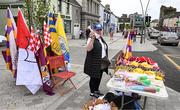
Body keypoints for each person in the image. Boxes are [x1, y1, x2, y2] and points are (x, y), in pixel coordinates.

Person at [84, 23, 109, 98]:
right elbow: (88, 49)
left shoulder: (101, 38)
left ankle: (96, 90)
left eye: (100, 29)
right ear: (94, 30)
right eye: (97, 30)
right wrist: (92, 38)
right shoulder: (91, 38)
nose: (99, 31)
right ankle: (92, 92)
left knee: (99, 77)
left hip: (101, 61)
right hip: (93, 62)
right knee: (93, 77)